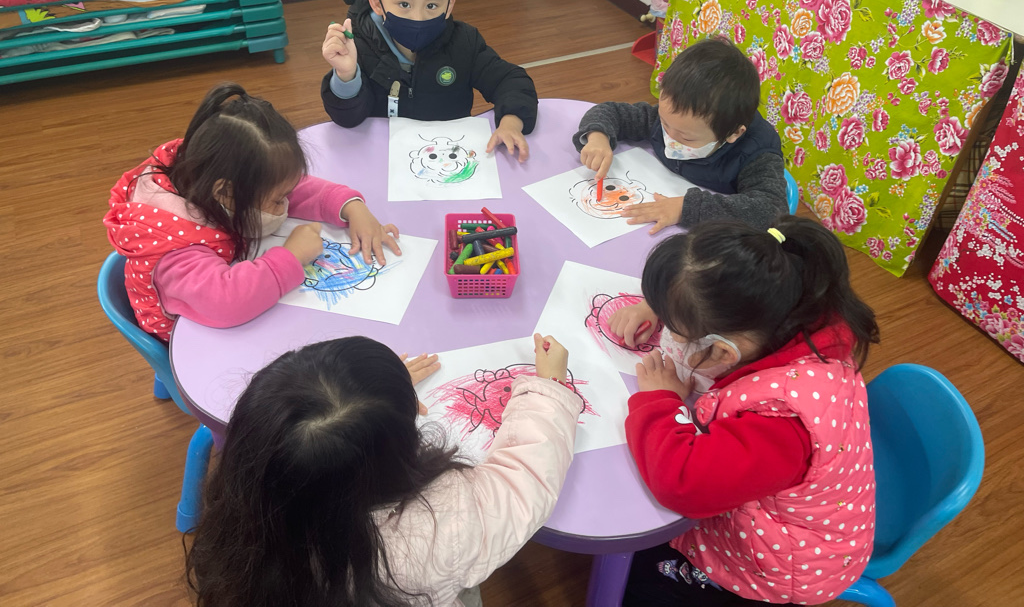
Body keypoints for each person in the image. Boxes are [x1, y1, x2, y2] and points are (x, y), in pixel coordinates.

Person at [185, 334, 582, 607]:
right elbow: (522, 482)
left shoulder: (245, 513)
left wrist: (373, 398)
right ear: (394, 453)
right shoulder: (438, 525)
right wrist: (548, 388)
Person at [609, 216, 879, 605]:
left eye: (675, 331)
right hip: (778, 507)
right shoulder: (790, 318)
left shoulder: (782, 424)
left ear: (723, 351)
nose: (666, 337)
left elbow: (680, 483)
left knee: (636, 583)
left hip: (777, 568)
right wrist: (659, 305)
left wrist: (660, 401)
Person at [104, 83, 399, 341]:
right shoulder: (177, 253)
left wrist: (351, 207)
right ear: (226, 193)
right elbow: (226, 302)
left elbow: (293, 187)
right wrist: (292, 256)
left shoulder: (210, 171)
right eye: (278, 200)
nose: (285, 204)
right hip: (193, 342)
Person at [320, 0, 537, 162]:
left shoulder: (464, 43)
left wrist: (512, 121)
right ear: (376, 2)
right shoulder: (359, 48)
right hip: (385, 163)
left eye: (432, 5)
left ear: (449, 5)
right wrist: (346, 75)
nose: (418, 18)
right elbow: (348, 120)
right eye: (404, 4)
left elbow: (511, 80)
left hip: (449, 158)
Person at [573, 36, 788, 232]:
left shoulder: (757, 155)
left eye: (686, 138)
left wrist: (685, 208)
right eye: (665, 124)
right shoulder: (674, 118)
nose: (670, 139)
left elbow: (770, 211)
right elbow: (611, 112)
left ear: (733, 133)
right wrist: (598, 136)